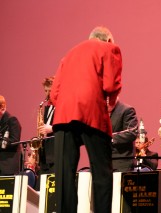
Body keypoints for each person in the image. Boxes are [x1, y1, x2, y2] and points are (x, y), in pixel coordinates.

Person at [50, 26, 122, 213]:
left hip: (64, 114)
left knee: (64, 174)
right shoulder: (109, 49)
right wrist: (110, 103)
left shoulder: (68, 55)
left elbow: (54, 94)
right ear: (108, 40)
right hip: (91, 111)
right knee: (101, 172)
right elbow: (110, 84)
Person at [108, 96, 138, 172]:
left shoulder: (127, 110)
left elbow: (131, 133)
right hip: (101, 160)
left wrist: (109, 138)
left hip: (120, 161)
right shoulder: (100, 110)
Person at [0, 95, 22, 176]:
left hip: (7, 165)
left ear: (2, 107)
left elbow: (15, 141)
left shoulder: (12, 120)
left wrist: (2, 141)